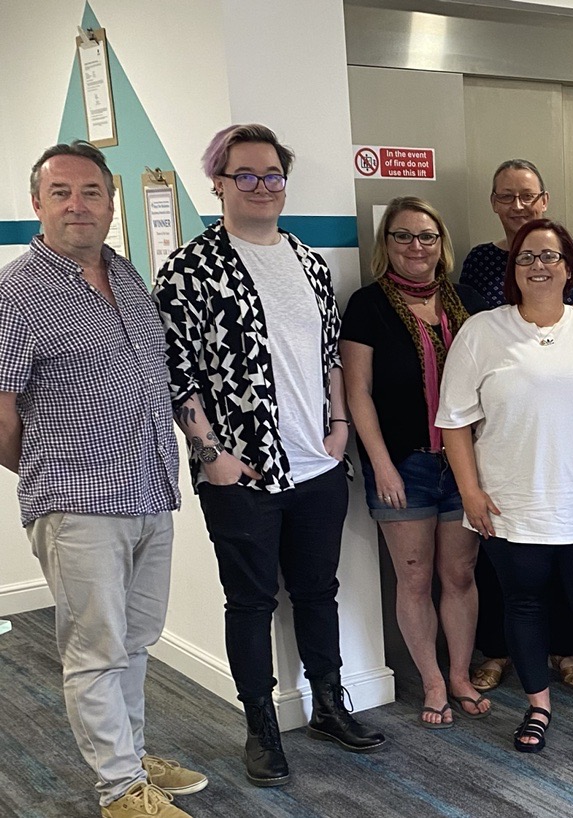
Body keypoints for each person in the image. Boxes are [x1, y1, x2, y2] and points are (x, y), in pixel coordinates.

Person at [153, 124, 385, 788]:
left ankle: (330, 706)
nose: (261, 187)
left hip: (317, 464)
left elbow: (329, 355)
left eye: (273, 175)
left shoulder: (308, 261)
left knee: (318, 591)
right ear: (219, 183)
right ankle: (261, 728)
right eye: (246, 175)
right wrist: (212, 455)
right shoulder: (190, 269)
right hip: (240, 473)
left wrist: (338, 427)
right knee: (250, 602)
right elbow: (177, 373)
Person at [0, 141, 206, 817]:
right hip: (78, 504)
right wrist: (52, 470)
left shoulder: (127, 275)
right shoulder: (17, 292)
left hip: (150, 490)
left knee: (135, 641)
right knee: (94, 651)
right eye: (60, 192)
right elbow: (0, 413)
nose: (77, 205)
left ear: (111, 204)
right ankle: (119, 790)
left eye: (91, 192)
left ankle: (133, 758)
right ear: (37, 203)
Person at [438, 218, 573, 754]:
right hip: (512, 504)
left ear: (569, 268)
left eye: (550, 256)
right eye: (526, 257)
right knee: (524, 606)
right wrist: (469, 492)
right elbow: (454, 421)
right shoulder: (481, 331)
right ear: (513, 269)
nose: (538, 265)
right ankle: (538, 707)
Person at [460, 158, 573, 693]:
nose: (518, 205)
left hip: (568, 436)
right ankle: (499, 652)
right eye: (506, 196)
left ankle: (566, 649)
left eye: (527, 195)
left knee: (568, 551)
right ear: (493, 203)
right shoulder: (480, 262)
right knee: (504, 560)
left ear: (544, 199)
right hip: (504, 432)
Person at [341, 196, 489, 729]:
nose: (416, 246)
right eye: (402, 236)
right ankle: (432, 681)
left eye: (426, 236)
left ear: (440, 242)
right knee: (414, 577)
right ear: (387, 243)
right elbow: (358, 393)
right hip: (405, 465)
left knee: (460, 574)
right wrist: (381, 465)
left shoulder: (468, 301)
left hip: (465, 464)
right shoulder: (367, 305)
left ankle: (460, 675)